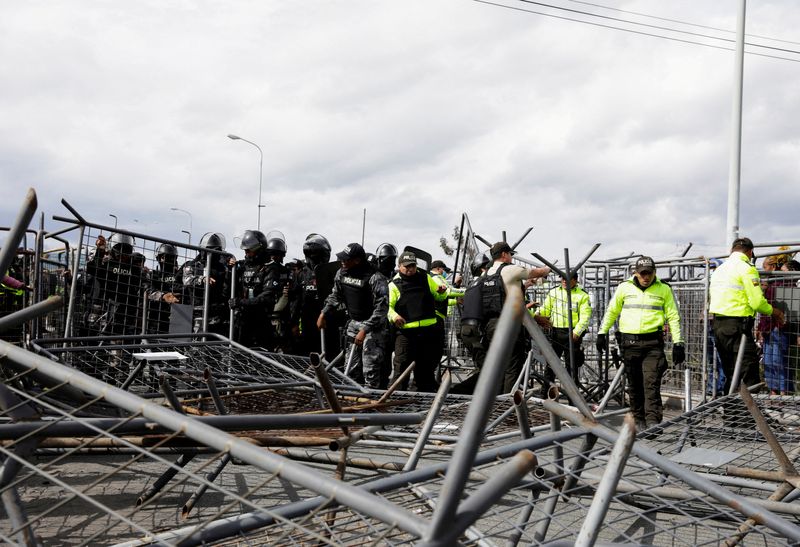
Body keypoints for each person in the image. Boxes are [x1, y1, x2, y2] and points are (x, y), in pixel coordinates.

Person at [596, 256, 683, 430]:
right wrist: (602, 332)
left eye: (649, 273)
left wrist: (678, 342)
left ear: (654, 273)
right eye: (642, 273)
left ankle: (652, 421)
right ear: (635, 272)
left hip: (653, 344)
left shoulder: (664, 289)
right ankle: (638, 419)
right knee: (635, 383)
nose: (646, 277)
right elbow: (612, 311)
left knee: (651, 383)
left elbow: (673, 316)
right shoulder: (624, 288)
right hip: (630, 343)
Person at [709, 237, 784, 395]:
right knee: (748, 374)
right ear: (750, 252)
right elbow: (757, 303)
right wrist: (775, 312)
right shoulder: (747, 268)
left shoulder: (720, 269)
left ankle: (731, 417)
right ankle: (749, 418)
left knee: (731, 374)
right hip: (737, 328)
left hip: (718, 326)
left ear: (732, 250)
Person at [317, 243, 389, 389]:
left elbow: (382, 308)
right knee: (350, 367)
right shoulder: (341, 273)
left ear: (357, 260)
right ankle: (351, 397)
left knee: (370, 369)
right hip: (353, 323)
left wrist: (365, 329)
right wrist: (323, 313)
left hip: (373, 328)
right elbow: (335, 296)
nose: (342, 262)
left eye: (346, 259)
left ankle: (371, 401)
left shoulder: (375, 278)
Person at [485, 242, 551, 393]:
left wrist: (525, 286)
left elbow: (504, 292)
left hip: (490, 325)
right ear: (504, 254)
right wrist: (548, 269)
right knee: (512, 369)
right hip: (508, 325)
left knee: (498, 367)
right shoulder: (509, 269)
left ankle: (494, 404)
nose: (510, 257)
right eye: (510, 254)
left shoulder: (487, 273)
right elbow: (536, 272)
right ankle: (509, 408)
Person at [387, 251, 449, 392]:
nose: (410, 270)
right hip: (406, 335)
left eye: (413, 266)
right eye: (406, 267)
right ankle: (395, 405)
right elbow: (388, 309)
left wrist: (441, 292)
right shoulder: (394, 284)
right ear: (399, 266)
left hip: (428, 333)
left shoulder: (425, 277)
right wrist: (395, 317)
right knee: (401, 370)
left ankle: (424, 407)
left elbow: (439, 297)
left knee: (426, 371)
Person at [535, 272, 592, 397]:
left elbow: (585, 317)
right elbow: (546, 309)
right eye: (563, 278)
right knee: (551, 366)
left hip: (572, 334)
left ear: (575, 280)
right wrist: (537, 315)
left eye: (568, 279)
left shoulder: (582, 296)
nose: (564, 281)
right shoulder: (554, 293)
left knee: (571, 368)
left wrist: (576, 333)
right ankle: (545, 394)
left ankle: (574, 399)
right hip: (555, 333)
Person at [84, 233, 146, 336]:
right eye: (120, 253)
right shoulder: (106, 264)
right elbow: (92, 269)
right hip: (106, 306)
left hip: (126, 310)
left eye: (125, 253)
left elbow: (142, 283)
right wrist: (100, 250)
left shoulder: (134, 269)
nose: (123, 256)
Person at [229, 230, 281, 349]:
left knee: (261, 359)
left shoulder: (271, 268)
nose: (246, 253)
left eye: (249, 250)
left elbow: (267, 297)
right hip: (242, 321)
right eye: (245, 250)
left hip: (261, 321)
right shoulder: (242, 266)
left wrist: (241, 302)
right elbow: (229, 287)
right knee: (238, 357)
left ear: (259, 249)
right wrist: (230, 270)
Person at [293, 233, 340, 359]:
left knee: (330, 357)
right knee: (308, 356)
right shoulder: (302, 274)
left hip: (328, 322)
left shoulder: (333, 272)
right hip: (308, 324)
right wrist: (294, 323)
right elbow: (296, 300)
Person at [180, 232, 232, 335]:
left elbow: (227, 286)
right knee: (197, 342)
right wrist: (202, 279)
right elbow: (186, 280)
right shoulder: (192, 265)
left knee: (217, 343)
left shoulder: (222, 268)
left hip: (217, 312)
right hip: (197, 312)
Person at [759, 255, 792, 395]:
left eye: (765, 267)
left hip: (778, 328)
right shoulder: (770, 285)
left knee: (778, 361)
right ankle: (773, 391)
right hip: (768, 328)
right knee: (768, 361)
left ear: (772, 267)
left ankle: (783, 392)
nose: (764, 270)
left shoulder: (781, 284)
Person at [429, 259, 466, 365]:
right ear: (438, 269)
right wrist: (466, 291)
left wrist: (455, 300)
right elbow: (449, 291)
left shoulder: (435, 278)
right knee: (436, 346)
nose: (445, 273)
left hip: (438, 315)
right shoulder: (436, 278)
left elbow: (443, 298)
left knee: (438, 345)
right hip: (435, 316)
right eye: (444, 270)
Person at [145, 242, 181, 334]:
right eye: (163, 257)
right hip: (157, 317)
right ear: (158, 258)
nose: (166, 260)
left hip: (178, 315)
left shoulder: (180, 275)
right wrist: (163, 296)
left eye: (170, 257)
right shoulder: (153, 275)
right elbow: (147, 291)